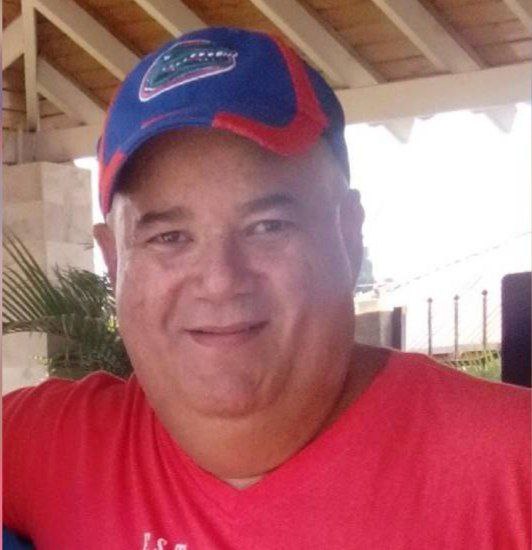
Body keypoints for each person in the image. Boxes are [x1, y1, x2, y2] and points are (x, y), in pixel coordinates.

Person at [3, 27, 530, 550]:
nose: (220, 279)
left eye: (268, 226)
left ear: (348, 236)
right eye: (169, 237)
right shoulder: (51, 448)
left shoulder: (509, 466)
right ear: (115, 261)